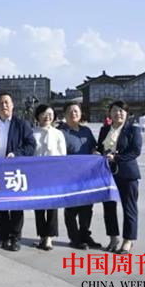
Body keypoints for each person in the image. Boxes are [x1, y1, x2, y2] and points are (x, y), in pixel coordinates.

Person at [0, 92, 36, 252]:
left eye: (7, 102)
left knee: (16, 205)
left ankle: (15, 237)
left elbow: (31, 145)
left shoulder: (21, 124)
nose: (4, 105)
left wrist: (16, 154)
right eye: (1, 103)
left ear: (12, 105)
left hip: (15, 170)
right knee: (0, 205)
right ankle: (3, 236)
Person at [97, 100, 141, 254]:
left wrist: (116, 158)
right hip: (107, 174)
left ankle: (128, 240)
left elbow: (135, 151)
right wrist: (98, 152)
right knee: (108, 208)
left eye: (121, 110)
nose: (118, 113)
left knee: (129, 208)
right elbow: (100, 147)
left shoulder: (133, 130)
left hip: (128, 175)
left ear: (127, 113)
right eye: (115, 110)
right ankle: (113, 238)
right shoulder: (104, 130)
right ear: (110, 113)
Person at [57, 101, 101, 250]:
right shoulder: (60, 132)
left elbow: (93, 147)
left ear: (81, 113)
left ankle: (85, 234)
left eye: (76, 111)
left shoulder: (86, 131)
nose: (73, 113)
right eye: (70, 111)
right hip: (70, 177)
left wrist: (96, 153)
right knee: (71, 209)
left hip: (87, 176)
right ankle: (74, 238)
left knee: (87, 208)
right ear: (64, 114)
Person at [31, 104, 66, 251]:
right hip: (36, 174)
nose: (48, 117)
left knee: (52, 206)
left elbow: (62, 155)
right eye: (44, 114)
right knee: (38, 207)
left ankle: (49, 238)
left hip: (53, 174)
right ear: (38, 116)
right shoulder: (32, 133)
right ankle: (41, 235)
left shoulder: (58, 133)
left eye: (50, 114)